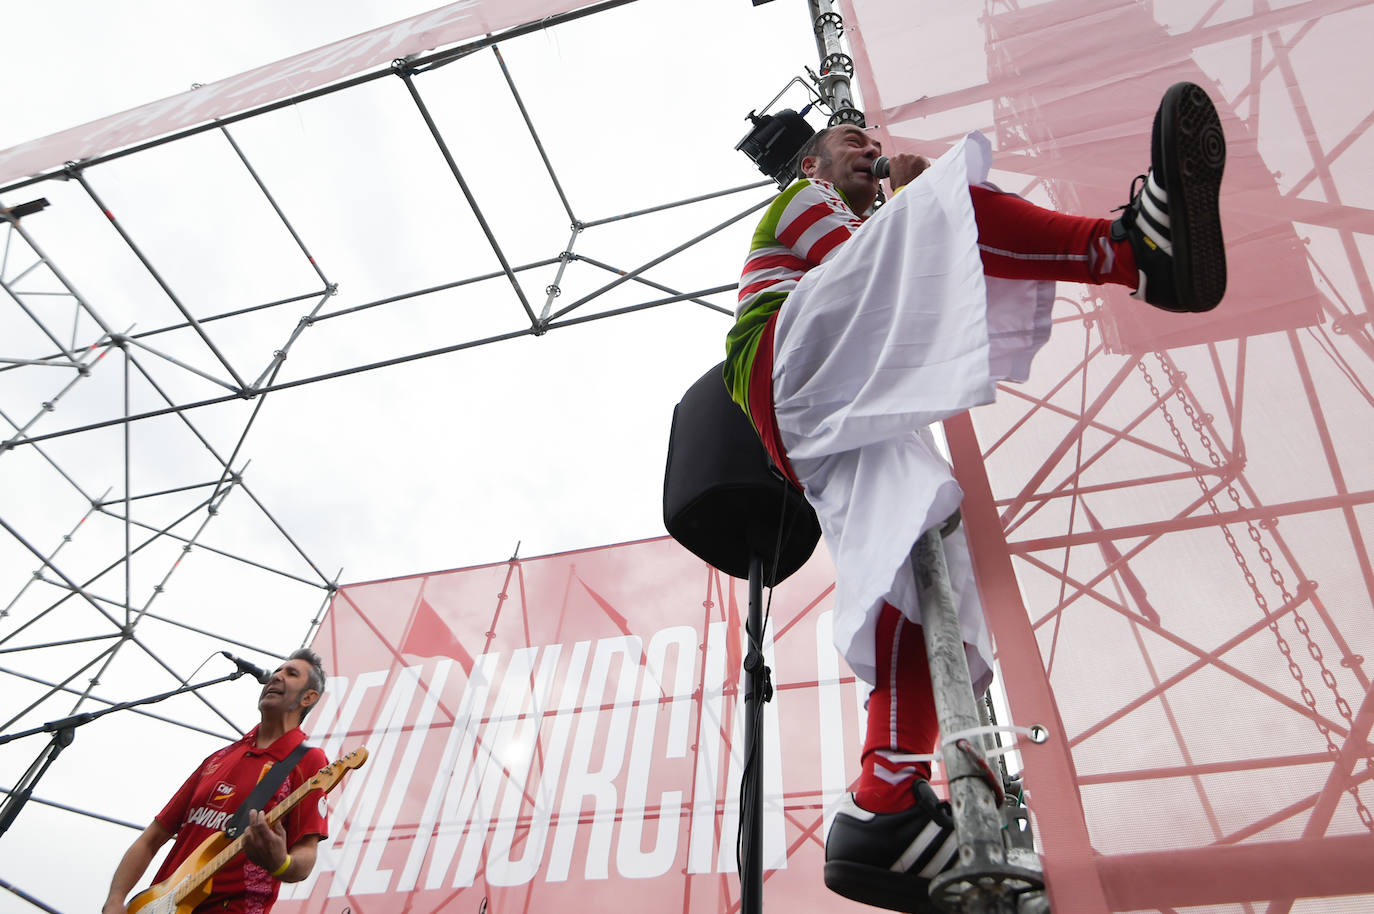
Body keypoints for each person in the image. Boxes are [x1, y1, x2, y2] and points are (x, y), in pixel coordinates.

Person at [724, 82, 1226, 912]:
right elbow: (879, 256)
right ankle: (1130, 251)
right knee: (945, 211)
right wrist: (922, 197)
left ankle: (881, 804)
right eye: (849, 138)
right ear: (810, 161)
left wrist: (919, 202)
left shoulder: (833, 214)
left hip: (823, 413)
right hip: (791, 361)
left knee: (918, 578)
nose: (862, 147)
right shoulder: (800, 201)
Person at [101, 649, 331, 914]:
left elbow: (306, 856)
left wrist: (280, 863)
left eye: (291, 674)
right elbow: (152, 837)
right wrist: (115, 900)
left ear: (308, 697)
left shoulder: (308, 760)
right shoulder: (220, 758)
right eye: (277, 670)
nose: (277, 676)